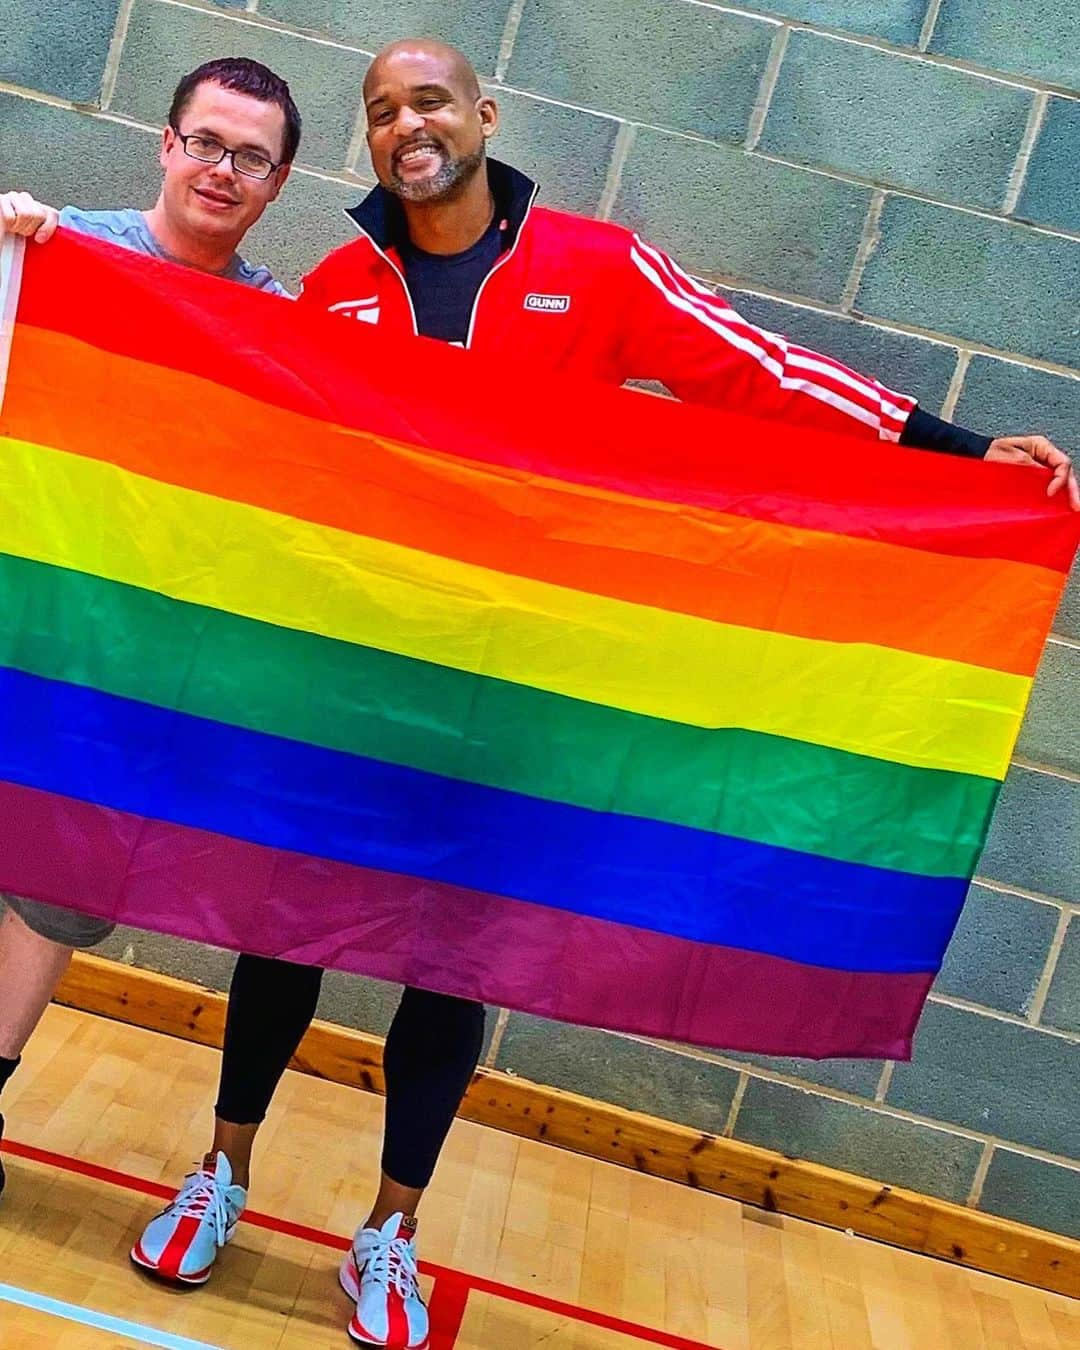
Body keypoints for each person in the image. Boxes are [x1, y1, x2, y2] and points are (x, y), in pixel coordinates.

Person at [7, 36, 1077, 1350]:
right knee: (279, 926)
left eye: (432, 102)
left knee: (452, 963)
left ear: (483, 115)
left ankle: (390, 1229)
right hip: (346, 685)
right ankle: (223, 1169)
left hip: (514, 705)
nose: (411, 125)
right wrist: (48, 266)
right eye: (385, 108)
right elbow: (213, 399)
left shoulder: (598, 267)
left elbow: (768, 375)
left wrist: (958, 453)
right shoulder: (336, 286)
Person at [0, 42, 296, 1269]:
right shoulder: (60, 251)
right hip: (20, 598)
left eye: (254, 157)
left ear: (277, 183)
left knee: (49, 887)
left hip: (126, 663)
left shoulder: (281, 326)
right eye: (208, 142)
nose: (224, 170)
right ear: (166, 144)